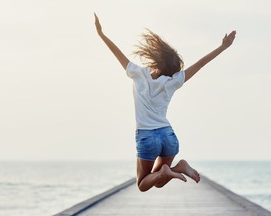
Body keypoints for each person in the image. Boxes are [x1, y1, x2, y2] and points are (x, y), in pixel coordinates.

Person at [94, 13, 236, 192]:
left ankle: (169, 171)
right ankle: (178, 167)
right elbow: (200, 64)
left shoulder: (138, 74)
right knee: (159, 181)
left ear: (156, 59)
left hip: (147, 136)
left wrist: (101, 34)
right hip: (168, 136)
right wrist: (223, 47)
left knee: (143, 184)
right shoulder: (172, 82)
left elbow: (117, 53)